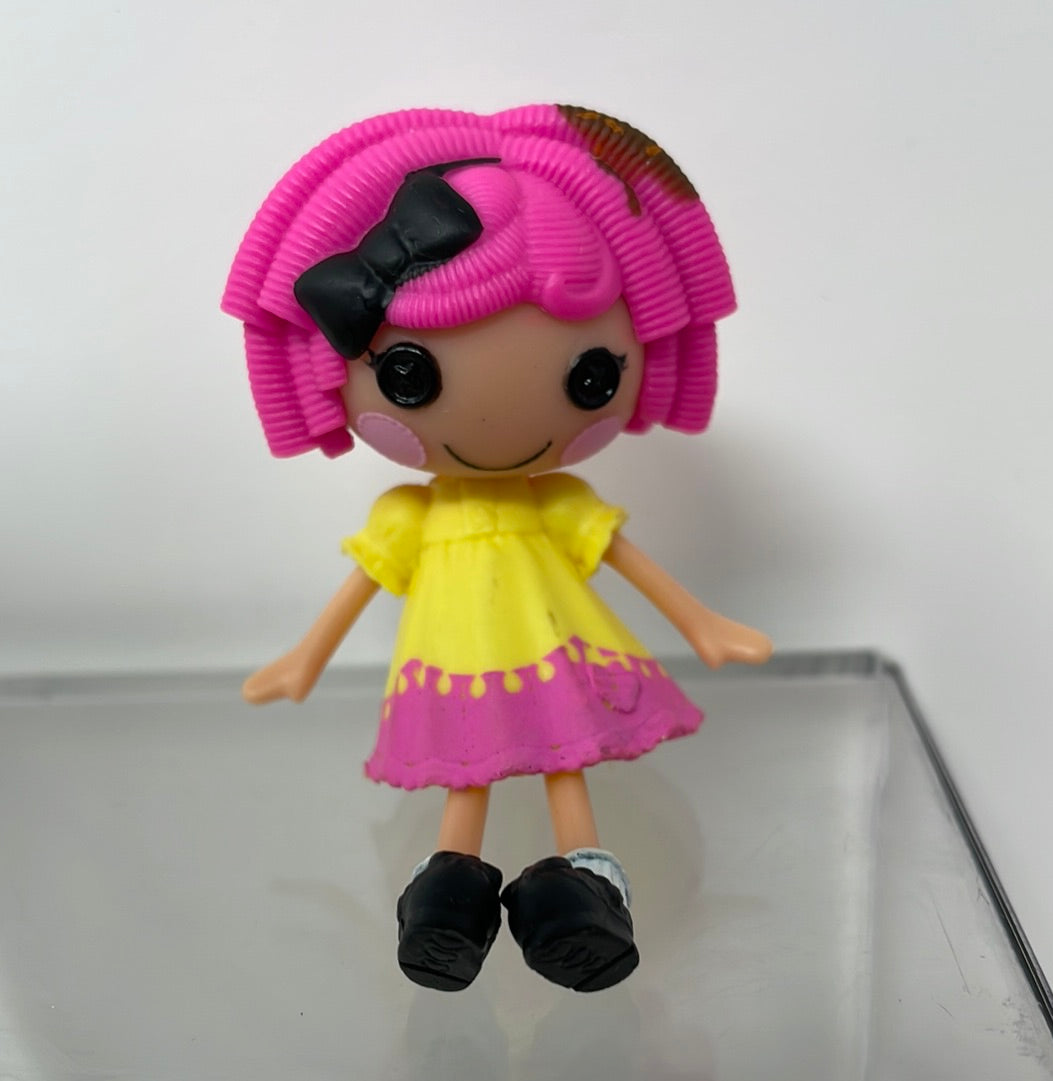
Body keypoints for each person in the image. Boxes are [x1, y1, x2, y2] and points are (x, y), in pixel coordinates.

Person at [222, 104, 772, 993]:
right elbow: (363, 580)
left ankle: (583, 894)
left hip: (554, 647)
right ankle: (448, 899)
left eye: (590, 377)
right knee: (467, 775)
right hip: (456, 657)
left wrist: (701, 622)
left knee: (564, 761)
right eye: (410, 375)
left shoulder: (557, 501)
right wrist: (304, 656)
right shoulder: (414, 514)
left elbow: (623, 556)